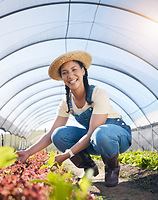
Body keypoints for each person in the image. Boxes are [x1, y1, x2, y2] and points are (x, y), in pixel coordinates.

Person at [16, 50, 132, 187]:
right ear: (62, 78)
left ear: (83, 71)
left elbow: (92, 132)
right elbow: (50, 134)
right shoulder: (67, 102)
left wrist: (66, 155)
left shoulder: (98, 93)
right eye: (65, 73)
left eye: (74, 69)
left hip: (117, 137)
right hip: (94, 139)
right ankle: (89, 168)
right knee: (58, 135)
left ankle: (112, 168)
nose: (70, 76)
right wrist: (27, 152)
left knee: (101, 133)